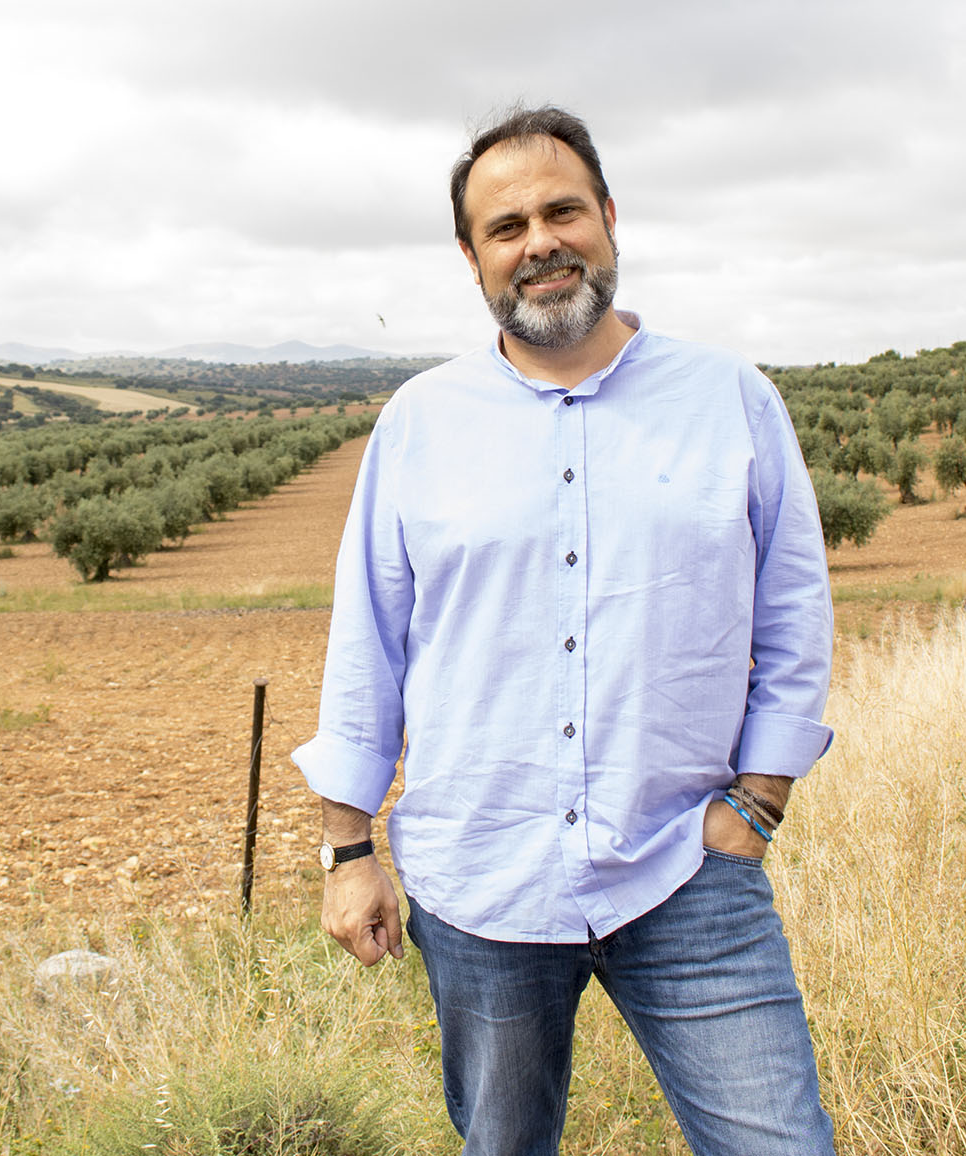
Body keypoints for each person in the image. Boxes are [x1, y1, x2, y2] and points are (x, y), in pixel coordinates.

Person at [291, 105, 836, 1156]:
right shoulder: (418, 422)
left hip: (686, 866)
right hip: (479, 884)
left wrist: (759, 797)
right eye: (505, 227)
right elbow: (368, 646)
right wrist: (346, 851)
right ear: (471, 257)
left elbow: (792, 611)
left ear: (606, 218)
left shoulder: (729, 398)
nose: (537, 241)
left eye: (560, 210)